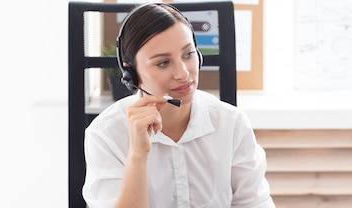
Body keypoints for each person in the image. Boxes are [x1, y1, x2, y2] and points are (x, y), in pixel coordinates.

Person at [82, 3, 275, 208]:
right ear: (132, 75)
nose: (183, 73)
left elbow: (254, 203)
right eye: (163, 62)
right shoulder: (106, 134)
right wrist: (137, 155)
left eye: (188, 54)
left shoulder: (231, 124)